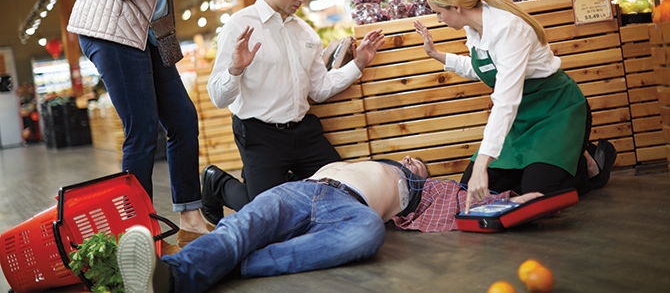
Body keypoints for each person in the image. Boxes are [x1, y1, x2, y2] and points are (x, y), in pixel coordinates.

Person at [116, 156, 542, 292]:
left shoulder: (424, 190)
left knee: (369, 233)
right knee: (241, 228)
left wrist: (517, 200)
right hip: (303, 189)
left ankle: (219, 267)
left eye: (420, 165)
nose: (414, 161)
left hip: (349, 208)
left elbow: (472, 202)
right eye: (412, 158)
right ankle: (173, 278)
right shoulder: (370, 159)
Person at [67, 0, 210, 243]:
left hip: (146, 33)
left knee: (182, 120)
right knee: (142, 129)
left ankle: (190, 218)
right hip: (111, 33)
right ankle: (136, 230)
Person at [412, 0, 617, 213]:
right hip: (521, 119)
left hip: (557, 113)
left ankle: (590, 166)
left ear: (456, 7)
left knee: (534, 197)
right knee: (470, 191)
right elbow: (486, 69)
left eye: (438, 12)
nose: (437, 19)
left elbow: (505, 101)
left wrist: (481, 166)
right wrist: (437, 55)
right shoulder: (474, 27)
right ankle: (572, 156)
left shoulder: (507, 29)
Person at [204, 0, 385, 219]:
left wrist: (357, 64)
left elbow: (320, 90)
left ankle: (271, 182)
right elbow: (218, 98)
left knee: (347, 192)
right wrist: (235, 69)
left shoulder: (306, 34)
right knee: (269, 216)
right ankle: (215, 182)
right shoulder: (238, 26)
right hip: (259, 135)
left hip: (304, 133)